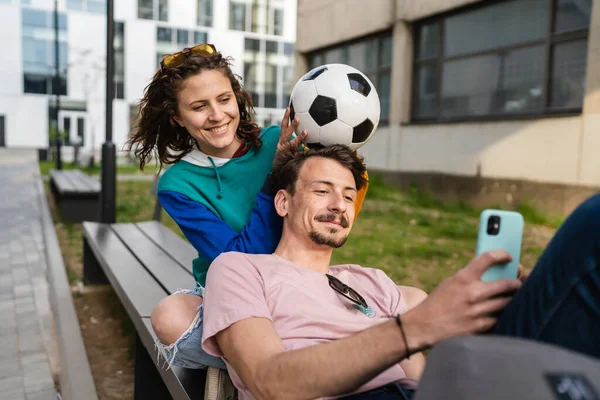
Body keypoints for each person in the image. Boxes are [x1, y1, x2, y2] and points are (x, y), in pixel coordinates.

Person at [201, 144, 600, 400]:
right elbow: (270, 381)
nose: (340, 205)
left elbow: (420, 379)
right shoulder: (241, 269)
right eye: (322, 190)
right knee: (591, 223)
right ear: (284, 203)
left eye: (348, 196)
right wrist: (412, 330)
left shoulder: (372, 281)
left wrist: (485, 313)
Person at [126, 43, 369, 369]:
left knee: (404, 302)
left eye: (224, 100)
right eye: (199, 106)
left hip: (297, 282)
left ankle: (276, 356)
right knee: (169, 318)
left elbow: (335, 212)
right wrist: (272, 179)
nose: (216, 115)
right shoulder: (179, 184)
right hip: (234, 292)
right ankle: (284, 358)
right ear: (178, 117)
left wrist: (342, 164)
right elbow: (236, 260)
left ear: (236, 99)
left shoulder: (280, 140)